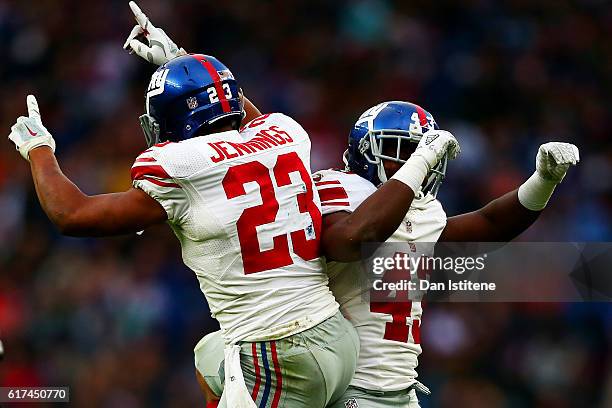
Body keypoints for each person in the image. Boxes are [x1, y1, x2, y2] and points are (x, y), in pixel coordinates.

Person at [7, 6, 459, 408]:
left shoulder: (180, 164)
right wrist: (183, 61)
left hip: (279, 350)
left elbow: (72, 215)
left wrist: (39, 149)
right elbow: (250, 120)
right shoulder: (287, 132)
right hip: (333, 339)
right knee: (209, 357)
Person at [192, 101, 579, 408]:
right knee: (212, 353)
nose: (415, 160)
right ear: (366, 151)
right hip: (343, 387)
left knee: (211, 355)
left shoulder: (421, 209)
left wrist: (542, 181)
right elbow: (348, 240)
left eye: (422, 151)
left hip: (395, 388)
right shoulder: (339, 187)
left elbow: (490, 225)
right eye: (402, 151)